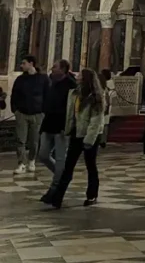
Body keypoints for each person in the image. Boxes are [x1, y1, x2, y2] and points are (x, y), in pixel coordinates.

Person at [48, 68, 104, 209]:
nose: (77, 76)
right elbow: (71, 114)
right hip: (76, 133)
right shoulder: (75, 94)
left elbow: (96, 120)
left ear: (86, 79)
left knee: (90, 165)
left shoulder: (96, 97)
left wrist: (89, 140)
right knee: (68, 166)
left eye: (79, 75)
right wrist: (68, 129)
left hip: (90, 136)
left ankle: (92, 195)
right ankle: (57, 197)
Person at [38, 60, 76, 203]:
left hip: (62, 127)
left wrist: (67, 126)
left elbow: (71, 109)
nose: (52, 69)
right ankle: (63, 176)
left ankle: (54, 188)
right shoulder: (51, 81)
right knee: (43, 154)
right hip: (48, 123)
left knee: (61, 158)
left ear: (63, 69)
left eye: (55, 67)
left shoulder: (71, 85)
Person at [11, 54, 48, 176]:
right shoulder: (20, 79)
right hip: (22, 113)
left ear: (31, 64)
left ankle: (31, 160)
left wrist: (44, 111)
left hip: (37, 114)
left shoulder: (43, 79)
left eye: (24, 63)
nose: (21, 66)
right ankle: (21, 163)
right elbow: (14, 95)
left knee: (34, 140)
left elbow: (47, 95)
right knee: (20, 139)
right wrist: (15, 110)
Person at [99, 69, 115, 146]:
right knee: (105, 124)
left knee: (103, 124)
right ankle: (103, 140)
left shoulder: (104, 85)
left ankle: (101, 140)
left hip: (105, 106)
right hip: (108, 106)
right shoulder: (111, 85)